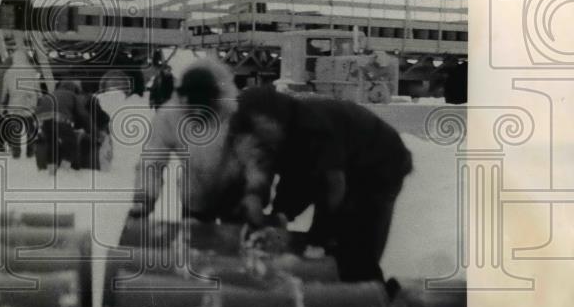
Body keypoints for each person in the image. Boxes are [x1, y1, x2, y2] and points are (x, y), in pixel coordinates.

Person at [224, 86, 414, 282]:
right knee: (335, 240)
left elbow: (333, 185)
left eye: (260, 129)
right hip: (345, 163)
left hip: (380, 163)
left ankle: (370, 293)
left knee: (355, 239)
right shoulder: (272, 132)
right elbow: (296, 176)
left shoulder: (312, 125)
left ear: (274, 118)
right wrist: (279, 213)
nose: (260, 142)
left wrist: (320, 236)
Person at [129, 59, 239, 222]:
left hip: (235, 191)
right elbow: (152, 162)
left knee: (236, 242)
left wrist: (254, 193)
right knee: (196, 241)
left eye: (203, 107)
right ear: (182, 98)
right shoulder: (170, 115)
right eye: (192, 106)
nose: (197, 112)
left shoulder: (234, 113)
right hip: (195, 191)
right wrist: (144, 198)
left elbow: (253, 158)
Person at [35, 79, 91, 171]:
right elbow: (82, 114)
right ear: (72, 88)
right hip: (60, 119)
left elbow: (39, 108)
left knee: (51, 143)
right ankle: (64, 169)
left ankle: (51, 170)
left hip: (44, 121)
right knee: (71, 143)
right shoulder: (71, 95)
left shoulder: (51, 94)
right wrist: (90, 130)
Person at [0, 48, 41, 159]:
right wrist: (39, 97)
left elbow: (4, 90)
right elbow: (37, 88)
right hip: (29, 101)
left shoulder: (9, 72)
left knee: (16, 128)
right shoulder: (32, 71)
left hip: (14, 102)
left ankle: (16, 152)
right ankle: (30, 151)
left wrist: (2, 102)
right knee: (30, 127)